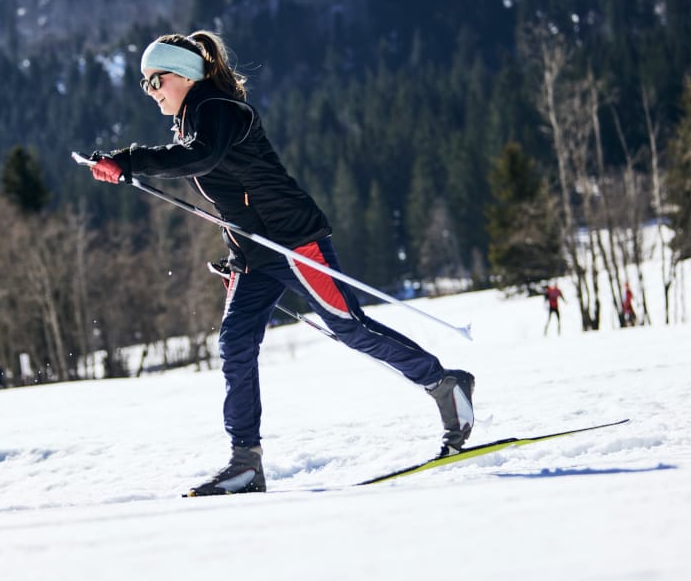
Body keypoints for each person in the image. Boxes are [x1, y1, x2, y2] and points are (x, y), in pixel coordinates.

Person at [89, 30, 475, 496]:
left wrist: (129, 160)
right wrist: (236, 256)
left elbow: (200, 157)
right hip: (254, 255)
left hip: (295, 240)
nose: (151, 92)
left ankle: (445, 385)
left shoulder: (218, 110)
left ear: (185, 75)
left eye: (157, 80)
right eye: (145, 84)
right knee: (235, 345)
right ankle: (245, 463)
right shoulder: (194, 118)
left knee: (349, 326)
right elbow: (229, 193)